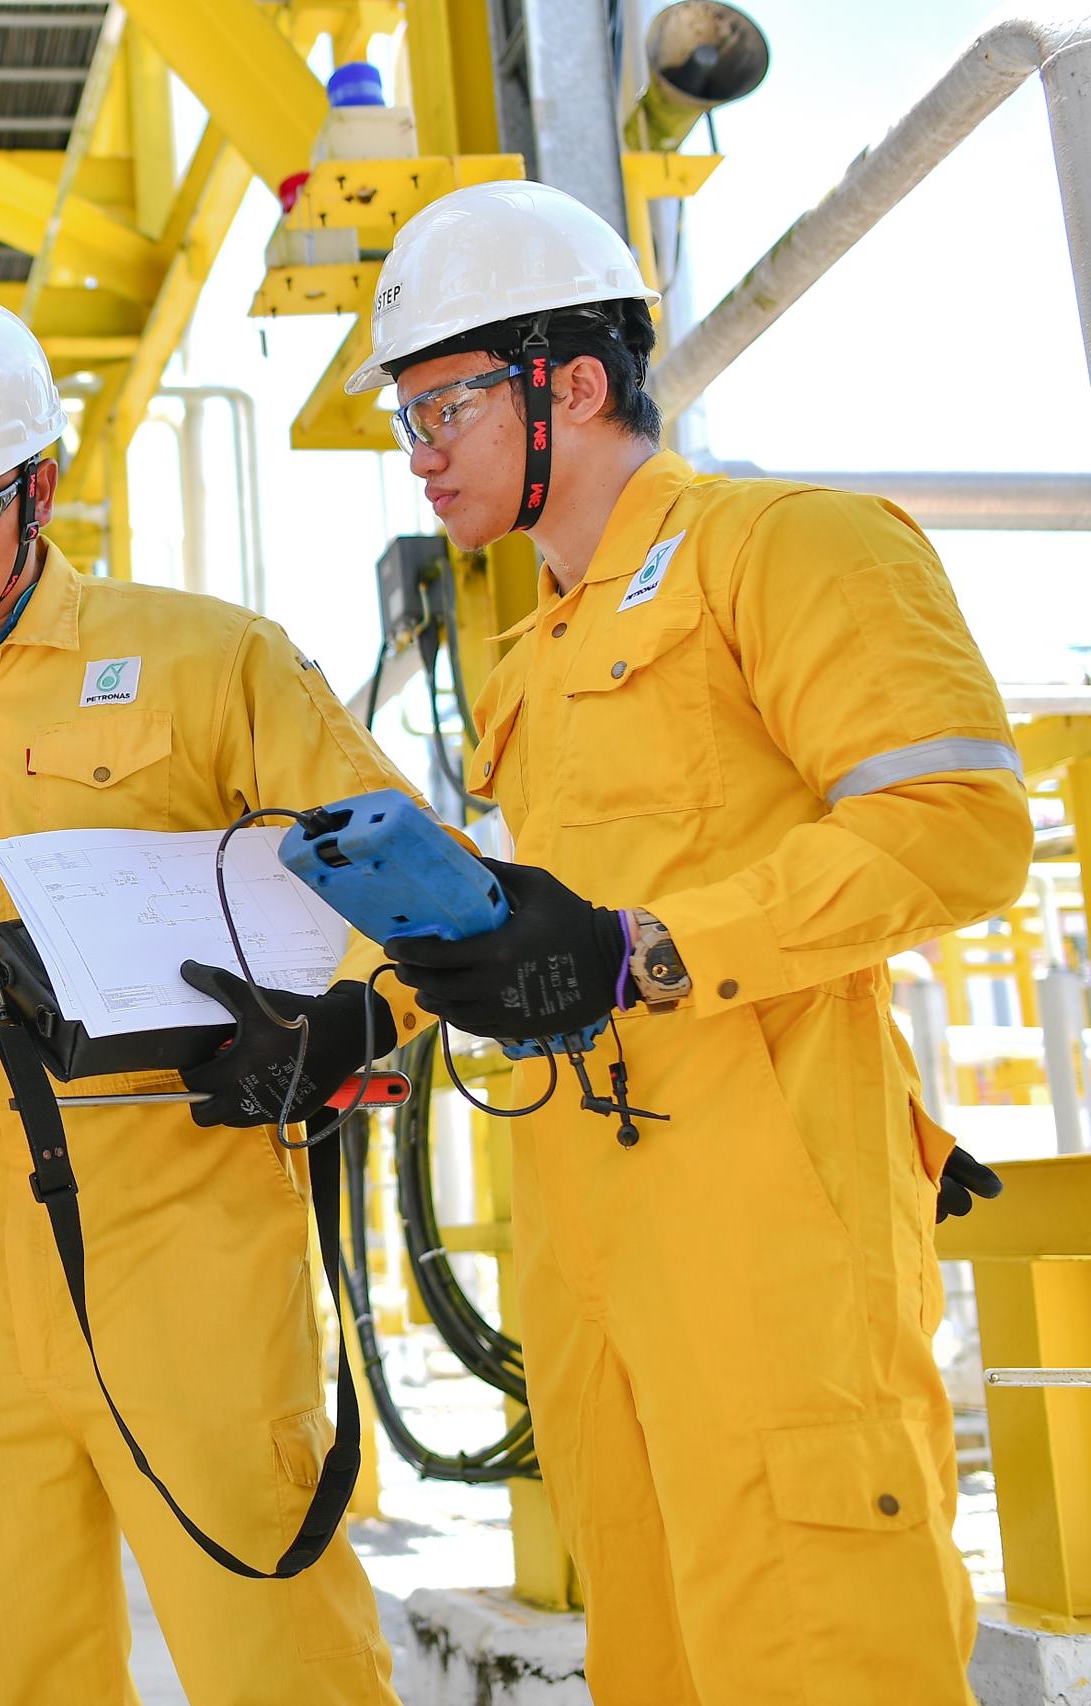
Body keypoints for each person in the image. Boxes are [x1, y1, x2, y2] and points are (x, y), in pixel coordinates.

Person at [348, 178, 1030, 1703]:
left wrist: (641, 949)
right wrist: (378, 1004)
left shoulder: (785, 546)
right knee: (651, 1649)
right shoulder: (532, 657)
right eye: (407, 417)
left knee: (817, 1637)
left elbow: (957, 828)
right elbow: (544, 925)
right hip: (588, 1221)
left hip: (764, 1205)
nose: (420, 451)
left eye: (447, 406)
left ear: (573, 386)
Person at [0, 281, 426, 1703]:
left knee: (278, 1659)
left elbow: (405, 875)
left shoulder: (208, 658)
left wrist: (353, 1014)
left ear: (38, 488)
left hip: (190, 1246)